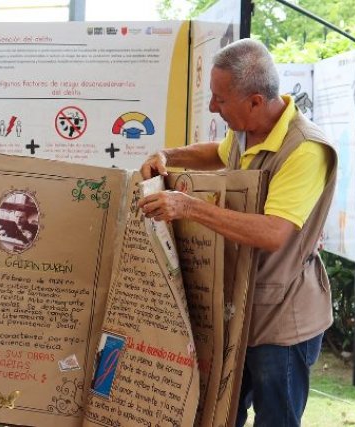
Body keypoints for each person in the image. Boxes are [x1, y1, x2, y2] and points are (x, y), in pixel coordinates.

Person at [138, 39, 337, 426]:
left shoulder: (305, 150)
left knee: (275, 419)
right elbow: (218, 151)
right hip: (239, 311)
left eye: (220, 99)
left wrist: (189, 206)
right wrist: (169, 155)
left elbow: (274, 233)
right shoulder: (248, 131)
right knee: (222, 414)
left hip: (280, 318)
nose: (213, 107)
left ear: (256, 101)